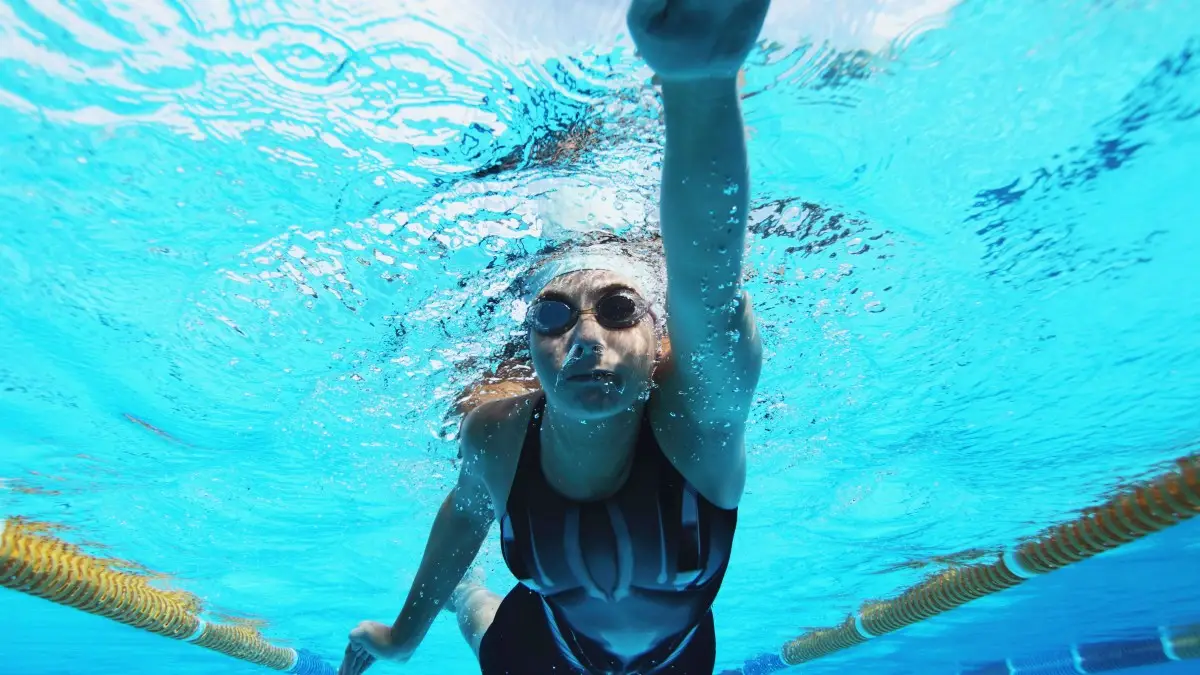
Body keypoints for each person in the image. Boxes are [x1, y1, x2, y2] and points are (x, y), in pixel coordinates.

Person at [338, 0, 768, 672]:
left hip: (676, 658)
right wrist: (404, 633)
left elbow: (707, 284)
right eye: (552, 316)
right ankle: (469, 602)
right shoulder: (497, 436)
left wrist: (699, 83)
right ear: (531, 349)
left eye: (620, 307)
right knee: (484, 622)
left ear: (660, 341)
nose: (587, 337)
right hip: (550, 644)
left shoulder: (697, 427)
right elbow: (465, 516)